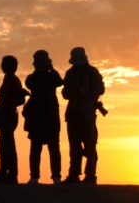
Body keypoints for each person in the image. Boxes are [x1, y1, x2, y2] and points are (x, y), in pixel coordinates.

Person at [62, 47, 105, 184]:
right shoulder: (70, 73)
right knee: (74, 146)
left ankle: (90, 175)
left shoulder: (93, 72)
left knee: (90, 145)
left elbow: (100, 89)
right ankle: (74, 175)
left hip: (87, 114)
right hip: (74, 113)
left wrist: (86, 93)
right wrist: (74, 92)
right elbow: (65, 93)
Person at [22, 50, 64, 184]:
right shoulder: (50, 77)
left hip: (37, 116)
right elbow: (59, 81)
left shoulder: (31, 78)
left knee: (36, 147)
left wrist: (46, 69)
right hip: (50, 115)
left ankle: (35, 177)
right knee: (53, 148)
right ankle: (56, 176)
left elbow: (58, 82)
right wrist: (51, 68)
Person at [0, 55, 28, 185]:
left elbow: (5, 101)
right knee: (4, 146)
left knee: (7, 147)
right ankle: (4, 173)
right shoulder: (12, 80)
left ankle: (10, 175)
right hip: (8, 116)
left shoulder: (11, 80)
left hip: (7, 117)